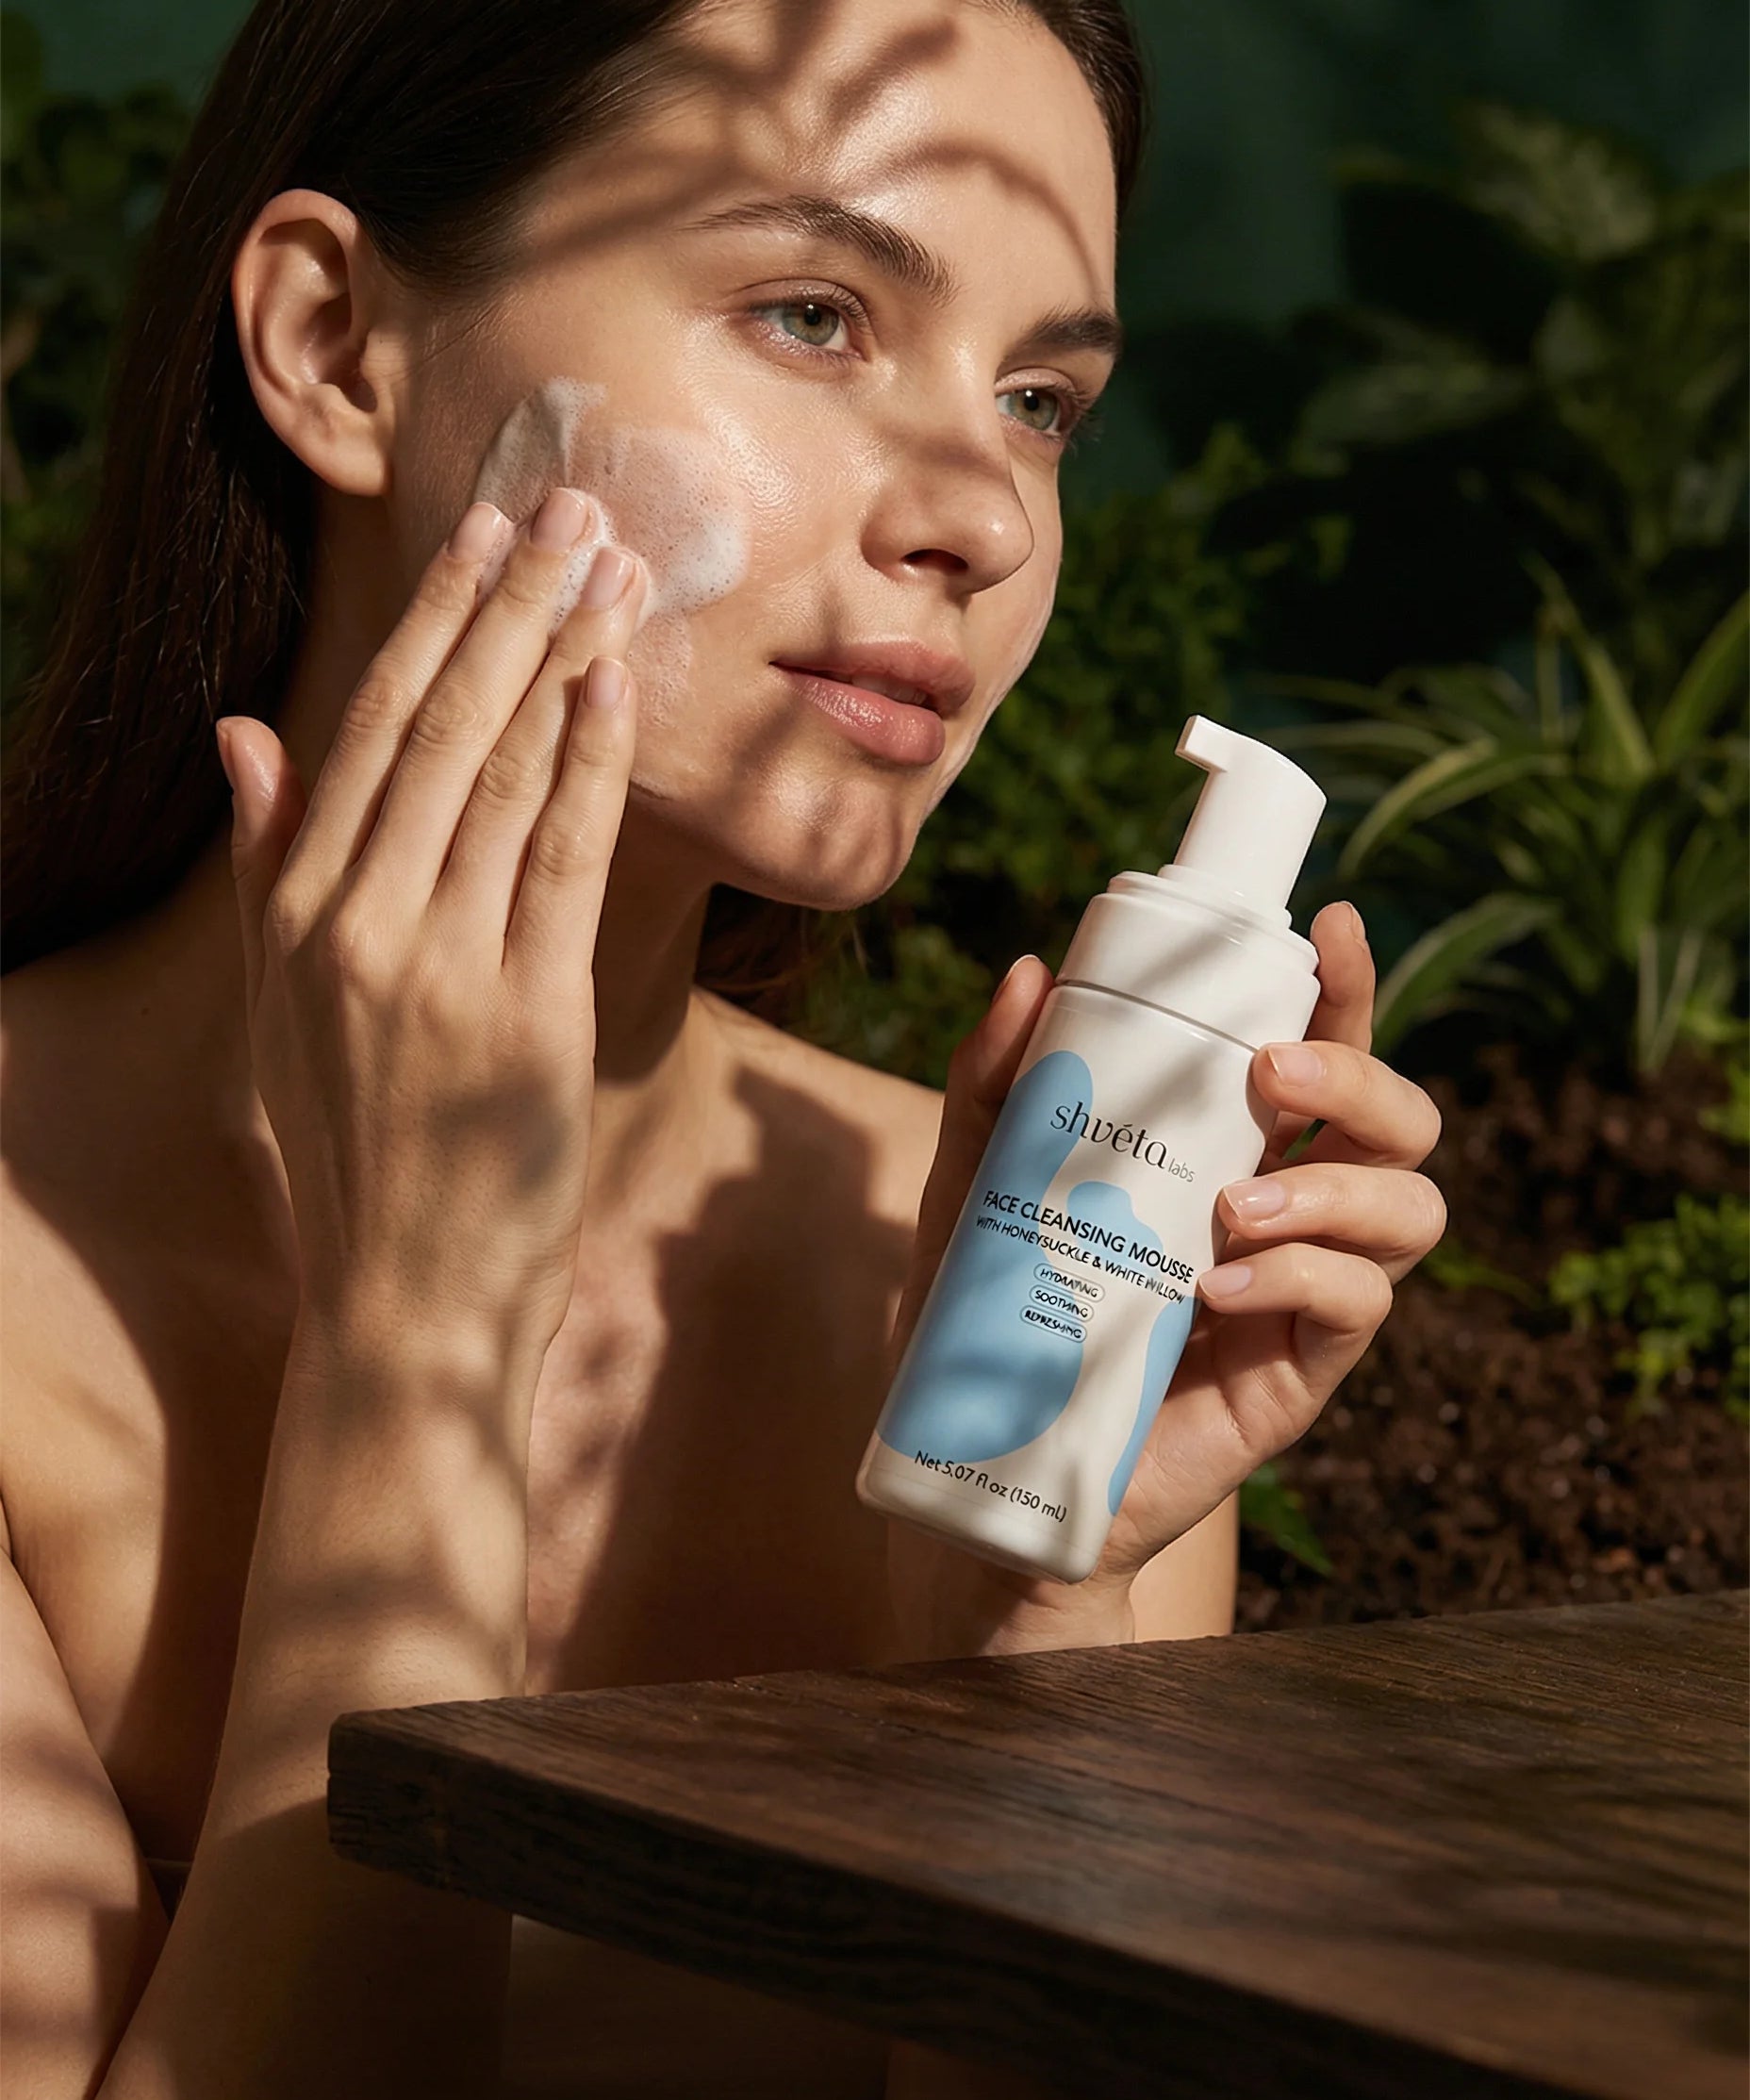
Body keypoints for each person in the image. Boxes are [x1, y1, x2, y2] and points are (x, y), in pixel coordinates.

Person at [0, 0, 1446, 2092]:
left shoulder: (1014, 1303)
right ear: (332, 342)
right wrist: (418, 1350)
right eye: (813, 316)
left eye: (1040, 399)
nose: (985, 516)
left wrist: (1015, 1618)